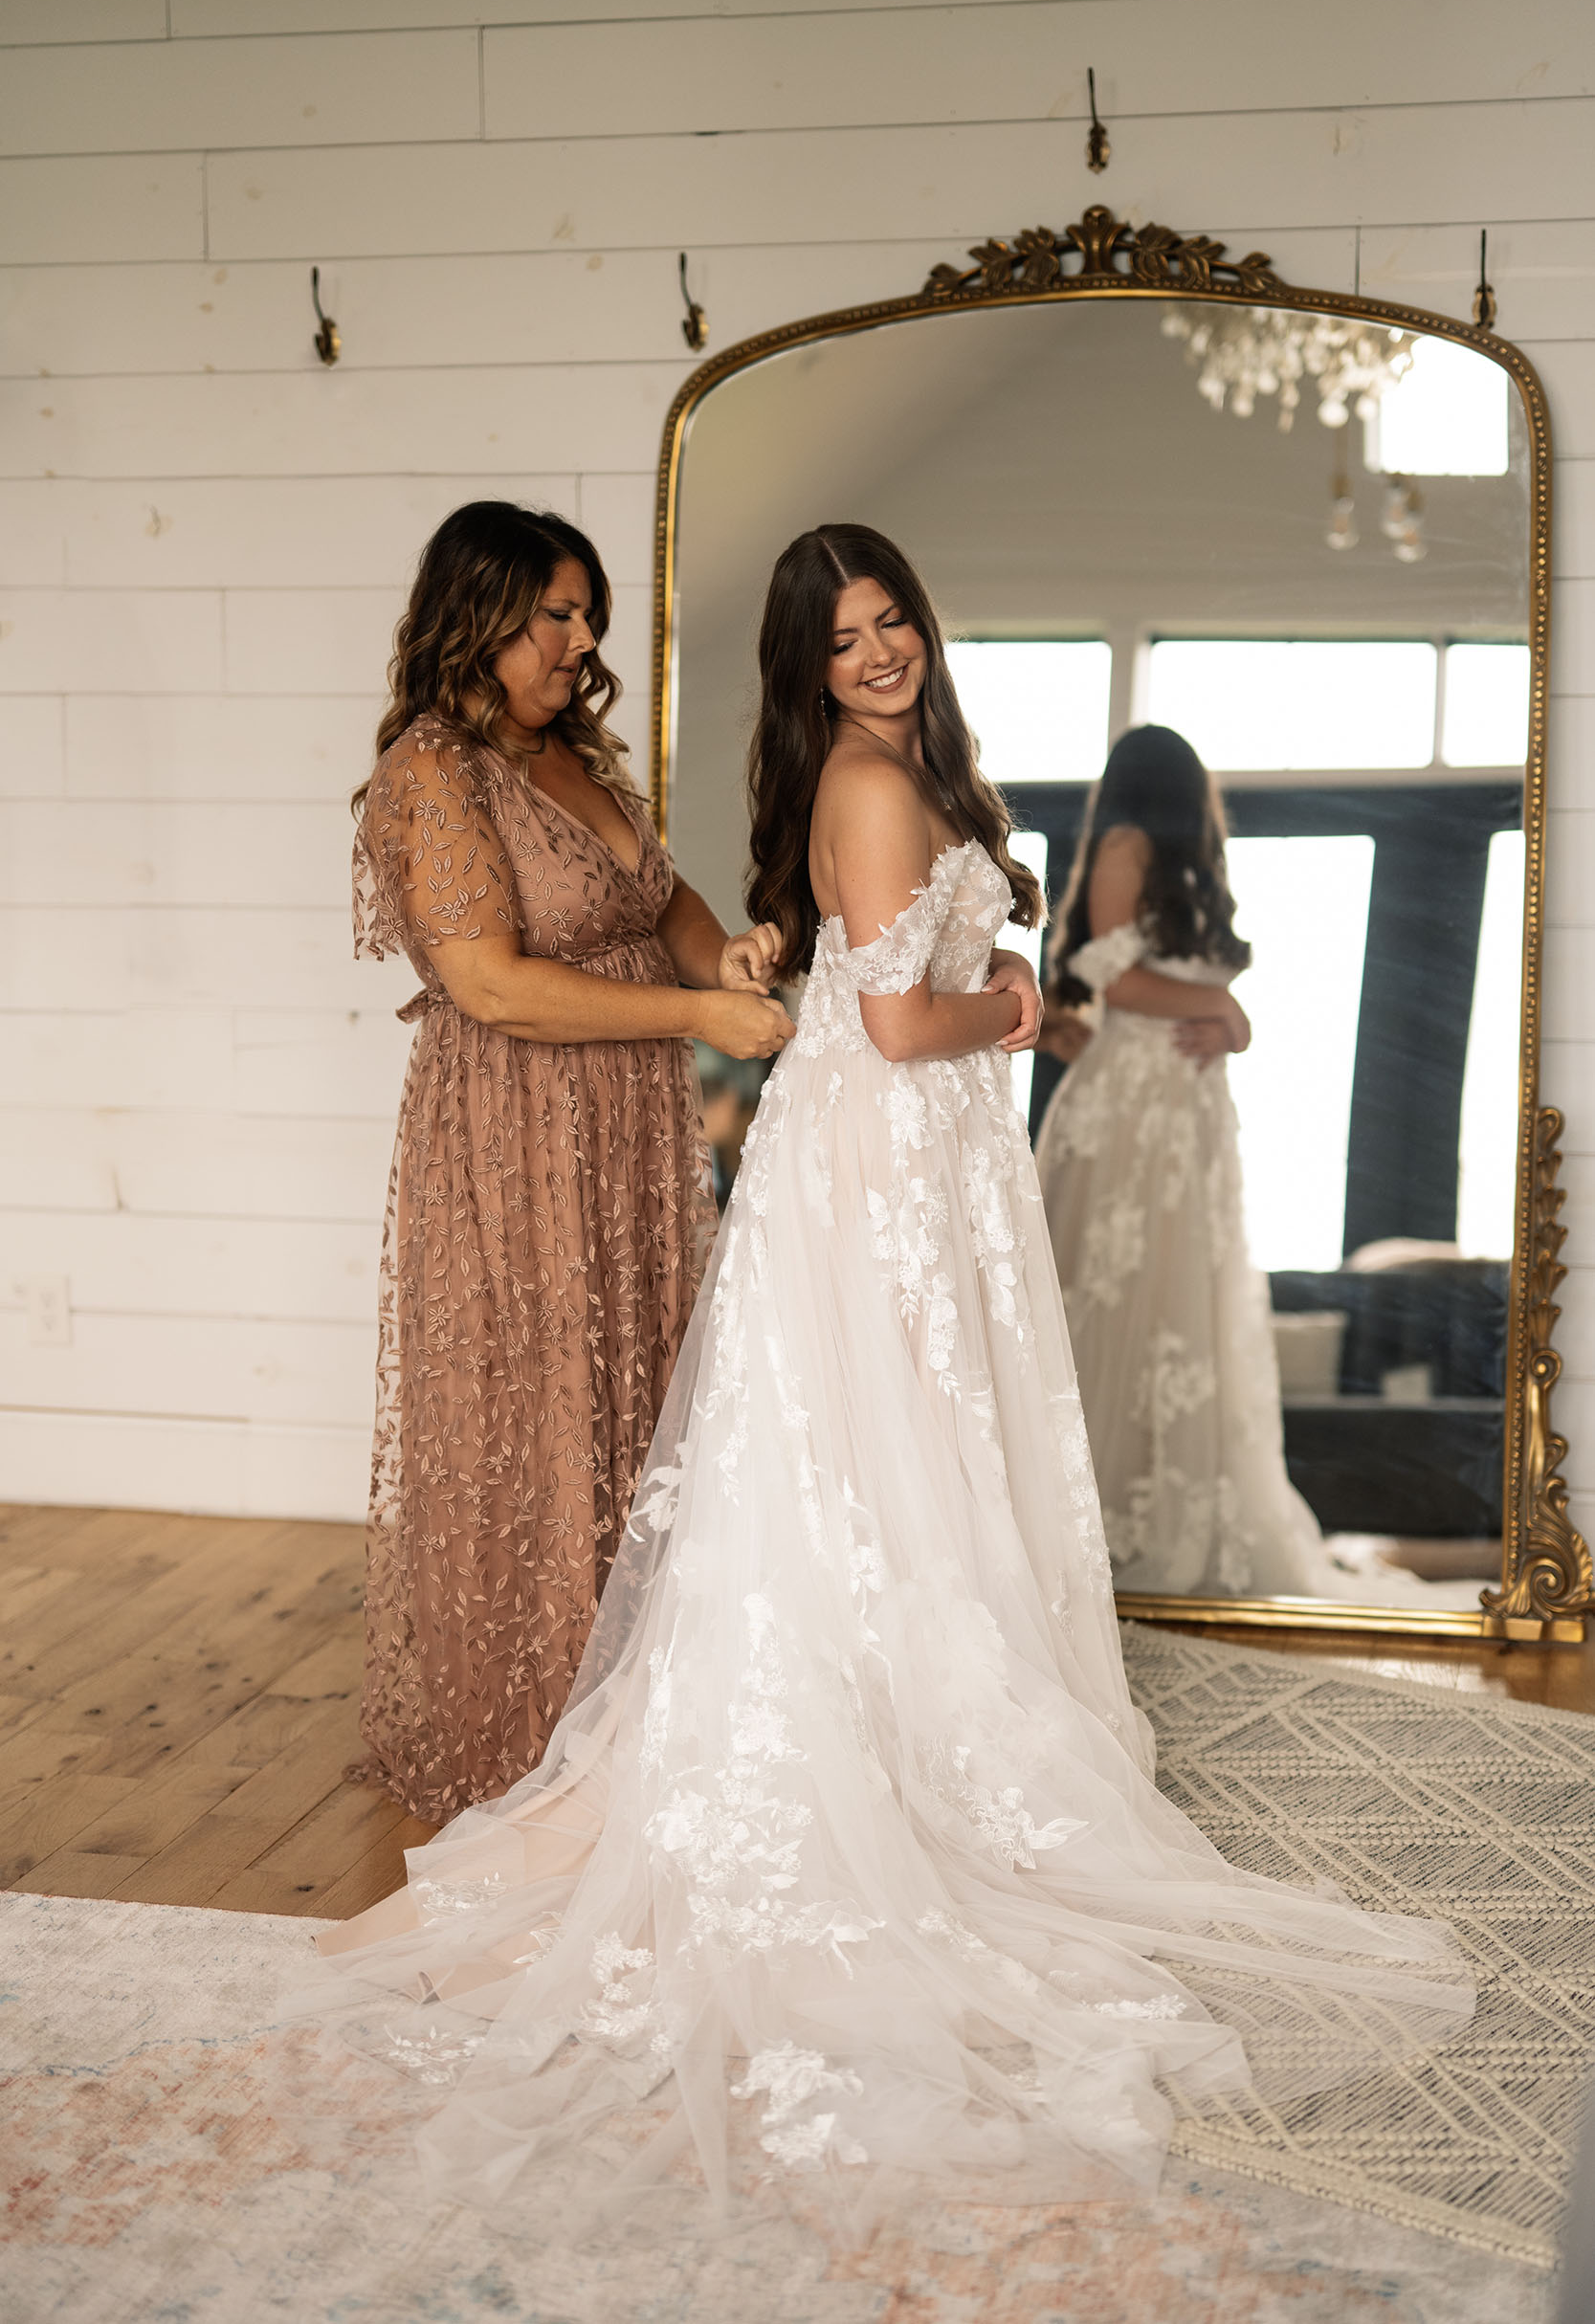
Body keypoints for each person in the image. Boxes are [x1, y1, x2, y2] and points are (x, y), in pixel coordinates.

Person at [306, 531, 1467, 2237]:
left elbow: (754, 945)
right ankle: (790, 1738)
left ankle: (901, 1702)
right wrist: (1000, 1000)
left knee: (880, 1453)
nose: (876, 650)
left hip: (871, 1156)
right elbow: (880, 1016)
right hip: (801, 1138)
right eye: (842, 634)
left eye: (892, 619)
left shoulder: (724, 767)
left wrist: (765, 973)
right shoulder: (819, 782)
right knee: (849, 1454)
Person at [348, 501, 791, 1822]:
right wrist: (696, 1016)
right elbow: (491, 984)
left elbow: (660, 901)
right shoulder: (430, 773)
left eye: (585, 613)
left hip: (627, 1133)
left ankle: (632, 1711)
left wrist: (726, 961)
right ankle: (531, 1733)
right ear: (477, 614)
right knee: (531, 1415)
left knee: (631, 1401)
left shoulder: (568, 756)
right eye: (556, 612)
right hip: (516, 1128)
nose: (579, 639)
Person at [1030, 723, 1470, 1604]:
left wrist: (1230, 1019)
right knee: (1108, 1308)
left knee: (1175, 1308)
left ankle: (1160, 1517)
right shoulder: (1125, 846)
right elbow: (1109, 978)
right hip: (1129, 1120)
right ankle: (1085, 1527)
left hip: (1179, 1123)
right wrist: (1223, 1006)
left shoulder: (1174, 868)